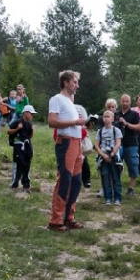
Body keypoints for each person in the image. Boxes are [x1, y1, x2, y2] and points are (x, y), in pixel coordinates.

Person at [47, 70, 87, 232]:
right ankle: (55, 220)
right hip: (66, 144)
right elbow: (52, 121)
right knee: (64, 180)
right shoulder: (57, 99)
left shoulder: (70, 101)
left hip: (77, 144)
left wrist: (83, 124)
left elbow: (72, 123)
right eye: (75, 82)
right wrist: (75, 122)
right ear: (66, 82)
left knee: (76, 182)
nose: (77, 85)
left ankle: (69, 217)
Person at [115, 94, 140, 196]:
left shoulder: (135, 114)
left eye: (127, 101)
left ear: (130, 102)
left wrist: (127, 124)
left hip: (131, 143)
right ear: (120, 101)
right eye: (123, 101)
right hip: (118, 144)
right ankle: (115, 186)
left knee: (133, 165)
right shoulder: (116, 114)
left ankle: (131, 188)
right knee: (116, 166)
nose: (125, 103)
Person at [94, 110, 123, 205]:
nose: (106, 118)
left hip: (113, 156)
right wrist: (103, 155)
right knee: (105, 177)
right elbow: (97, 145)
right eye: (104, 116)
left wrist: (113, 153)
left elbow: (118, 143)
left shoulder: (116, 130)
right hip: (103, 156)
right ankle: (108, 198)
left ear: (112, 118)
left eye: (108, 116)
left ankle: (118, 198)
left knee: (116, 177)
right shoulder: (100, 131)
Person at [7, 104, 36, 193]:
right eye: (31, 113)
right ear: (26, 113)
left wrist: (32, 130)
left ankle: (26, 185)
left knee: (27, 164)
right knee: (18, 164)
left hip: (27, 145)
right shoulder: (17, 121)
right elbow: (8, 131)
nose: (32, 115)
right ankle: (14, 184)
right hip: (18, 144)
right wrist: (17, 129)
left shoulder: (29, 124)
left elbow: (30, 136)